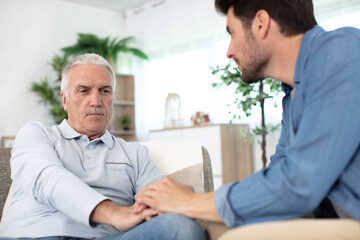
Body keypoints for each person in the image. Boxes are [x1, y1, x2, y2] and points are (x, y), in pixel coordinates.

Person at [134, 0, 360, 239]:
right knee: (215, 229)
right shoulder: (293, 95)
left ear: (261, 24)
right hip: (329, 218)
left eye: (232, 33)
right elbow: (279, 174)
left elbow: (298, 185)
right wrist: (185, 203)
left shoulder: (341, 51)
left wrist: (189, 201)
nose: (229, 51)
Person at [0, 53, 206, 240]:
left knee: (181, 227)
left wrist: (174, 201)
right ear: (65, 99)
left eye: (104, 91)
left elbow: (160, 202)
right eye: (83, 91)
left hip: (105, 238)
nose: (96, 101)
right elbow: (49, 179)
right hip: (33, 235)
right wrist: (115, 213)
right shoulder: (36, 134)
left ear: (112, 98)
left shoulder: (135, 154)